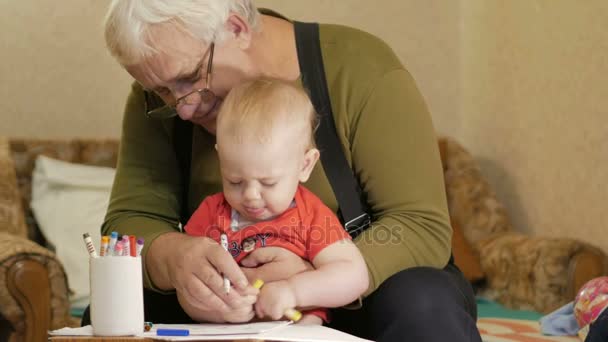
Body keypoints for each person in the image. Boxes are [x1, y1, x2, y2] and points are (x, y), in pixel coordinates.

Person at [99, 1, 481, 341]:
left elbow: (418, 224)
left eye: (191, 78)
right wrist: (176, 260)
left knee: (422, 303)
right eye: (161, 91)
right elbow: (131, 220)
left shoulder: (359, 69)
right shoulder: (163, 97)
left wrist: (312, 280)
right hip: (231, 304)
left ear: (236, 28)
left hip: (359, 290)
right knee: (116, 309)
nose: (182, 109)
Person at [180, 79, 368, 325]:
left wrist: (293, 291)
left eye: (268, 183)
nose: (251, 195)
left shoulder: (310, 214)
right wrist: (214, 311)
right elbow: (187, 283)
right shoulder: (211, 213)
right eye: (234, 181)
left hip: (297, 327)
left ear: (305, 165)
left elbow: (353, 275)